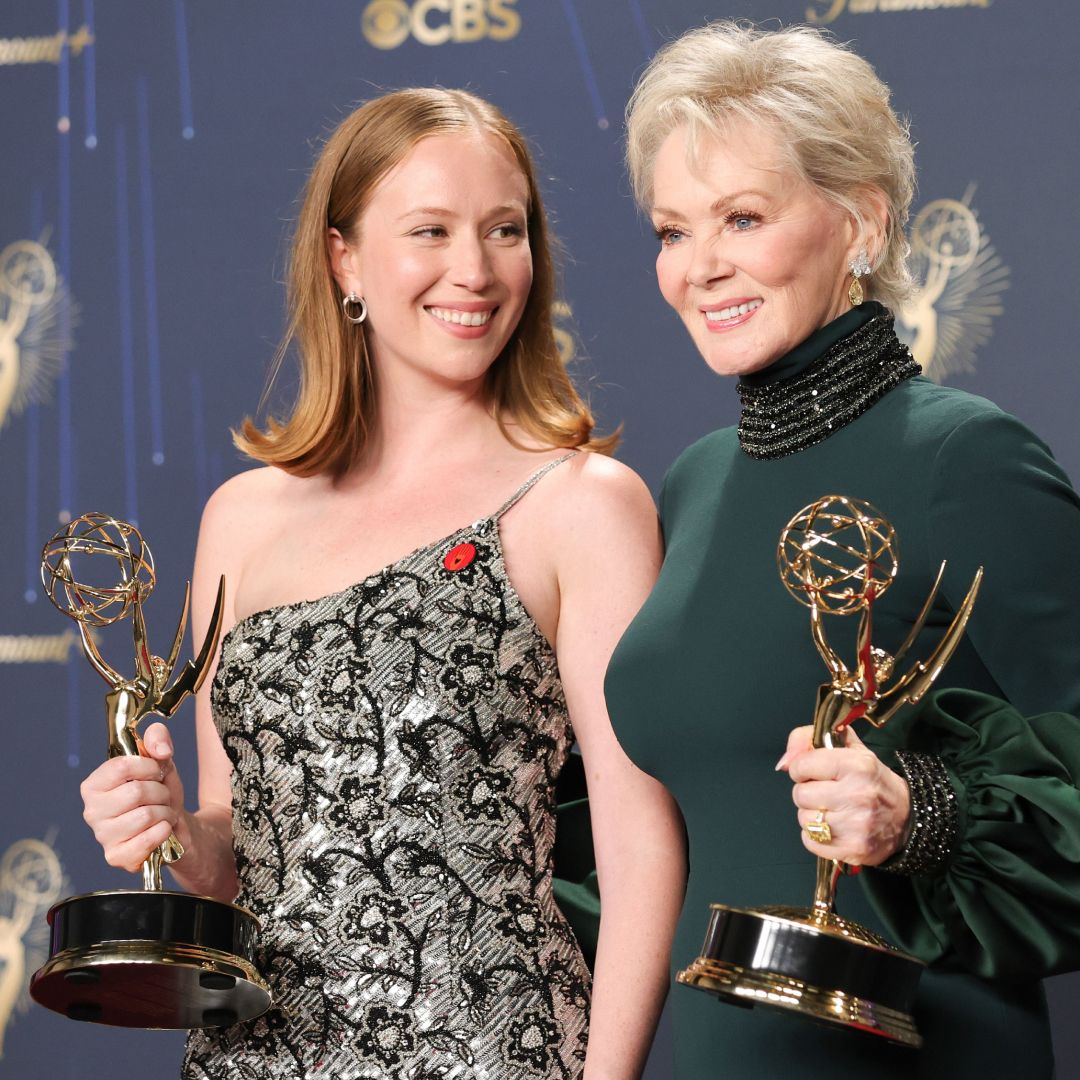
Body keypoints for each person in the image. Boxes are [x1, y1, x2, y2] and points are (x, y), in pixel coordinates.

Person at [79, 88, 685, 1079]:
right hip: (252, 1056)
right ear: (343, 258)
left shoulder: (584, 504)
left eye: (505, 229)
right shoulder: (240, 519)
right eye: (431, 231)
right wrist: (175, 835)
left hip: (494, 1047)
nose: (476, 270)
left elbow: (638, 845)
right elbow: (241, 852)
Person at [606, 21, 1080, 1079]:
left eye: (743, 217)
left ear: (862, 221)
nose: (700, 267)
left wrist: (925, 816)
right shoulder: (691, 482)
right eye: (670, 231)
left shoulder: (970, 460)